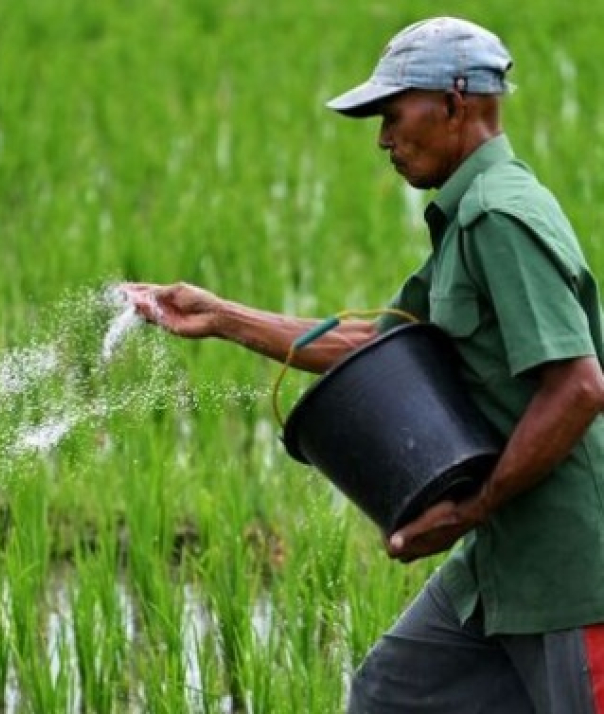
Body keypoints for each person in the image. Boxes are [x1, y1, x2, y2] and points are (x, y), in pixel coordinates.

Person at [125, 16, 604, 712]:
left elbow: (580, 388)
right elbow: (376, 347)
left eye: (392, 113)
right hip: (498, 568)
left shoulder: (502, 216)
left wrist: (469, 510)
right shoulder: (465, 218)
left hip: (568, 570)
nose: (382, 138)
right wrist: (222, 317)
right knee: (392, 695)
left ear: (457, 101)